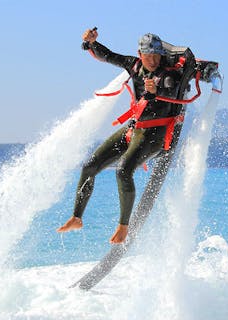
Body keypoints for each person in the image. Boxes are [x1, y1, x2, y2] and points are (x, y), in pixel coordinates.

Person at [57, 29, 185, 244]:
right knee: (89, 165)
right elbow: (108, 55)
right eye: (148, 56)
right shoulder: (134, 65)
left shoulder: (168, 76)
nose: (153, 60)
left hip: (155, 134)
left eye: (157, 56)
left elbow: (171, 91)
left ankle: (123, 227)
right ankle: (76, 217)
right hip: (134, 128)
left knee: (123, 170)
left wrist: (156, 92)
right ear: (140, 54)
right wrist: (91, 44)